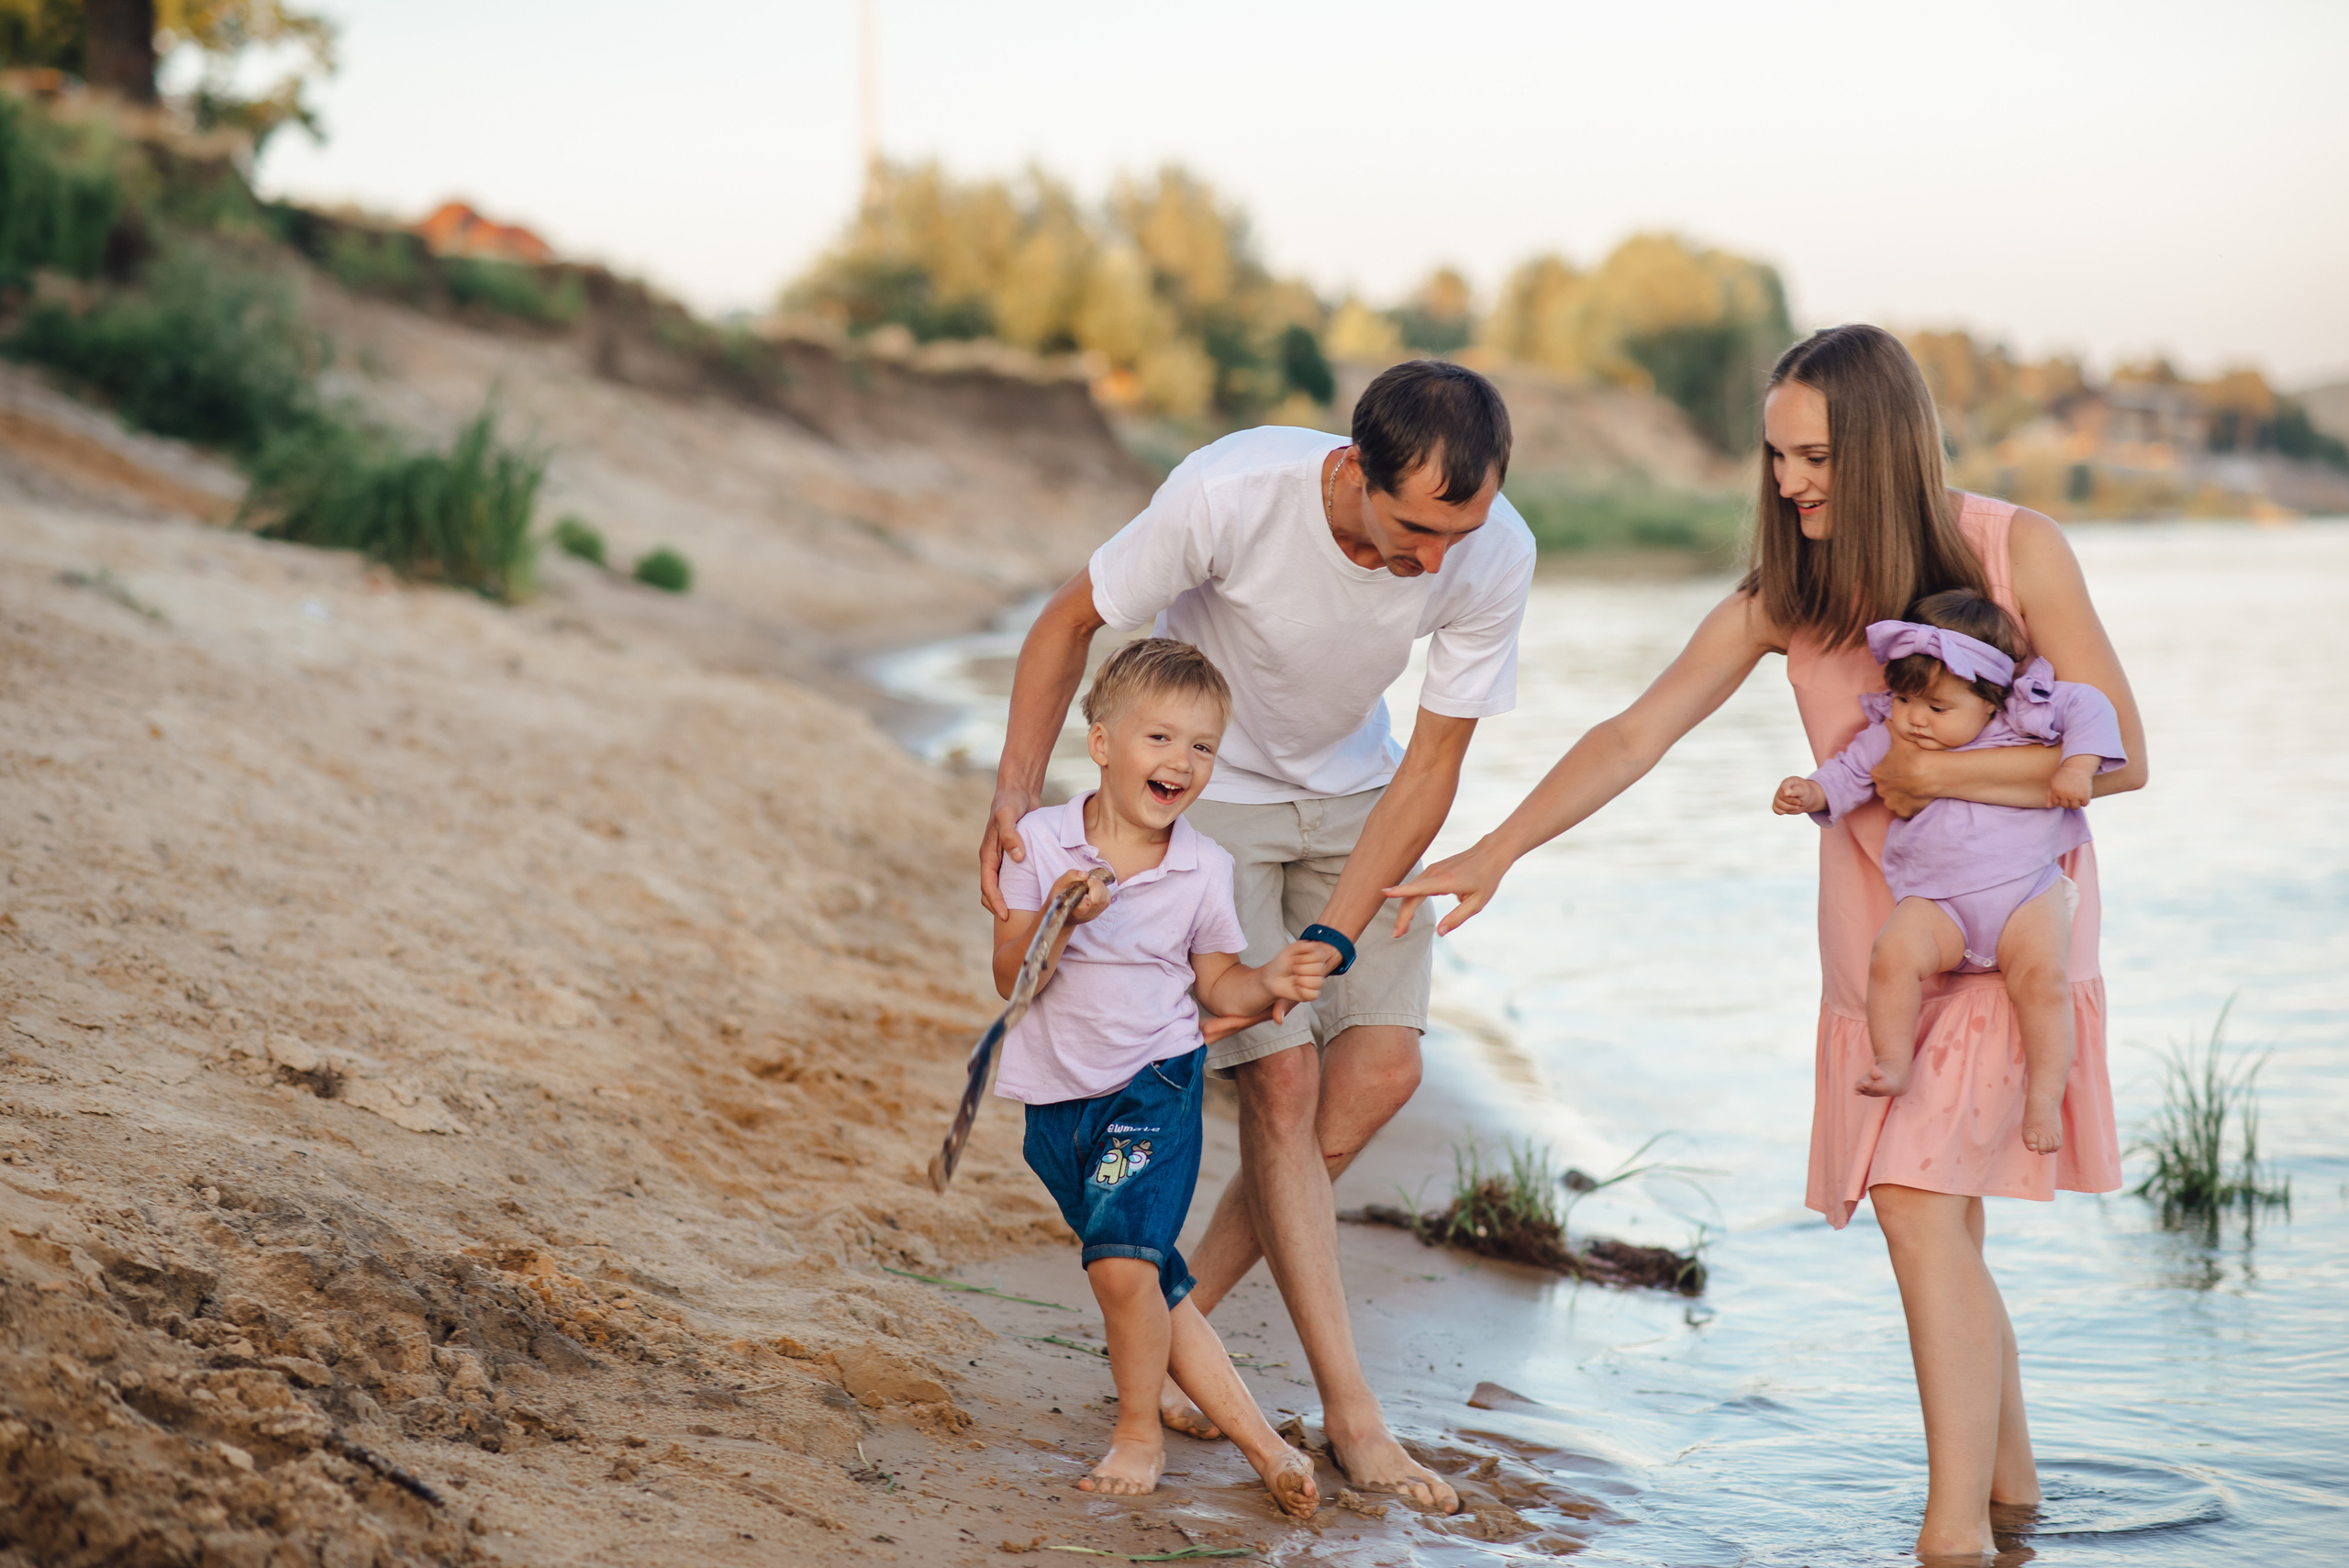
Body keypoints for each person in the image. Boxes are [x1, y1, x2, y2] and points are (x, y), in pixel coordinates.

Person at [1386, 324, 2147, 1561]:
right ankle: (2013, 1506)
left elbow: (2122, 757)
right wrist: (1500, 847)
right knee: (1941, 1224)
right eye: (1777, 456)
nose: (1791, 483)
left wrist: (1937, 770)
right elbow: (1636, 735)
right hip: (1883, 955)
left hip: (2013, 941)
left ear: (1886, 451)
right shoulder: (1786, 602)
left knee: (1913, 1205)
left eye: (1816, 458)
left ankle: (1954, 1534)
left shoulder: (2019, 551)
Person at [979, 361, 1535, 1514]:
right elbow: (1071, 617)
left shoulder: (1490, 549)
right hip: (1206, 794)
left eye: (1461, 530)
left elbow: (1433, 765)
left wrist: (1333, 933)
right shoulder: (1232, 491)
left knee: (1378, 1072)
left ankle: (1174, 1331)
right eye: (1416, 527)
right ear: (1352, 470)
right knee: (1281, 1081)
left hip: (1362, 799)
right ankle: (1352, 1414)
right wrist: (1016, 796)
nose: (1436, 558)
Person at [993, 638, 1322, 1518]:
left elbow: (1218, 984)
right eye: (1161, 738)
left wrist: (1271, 982)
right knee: (1151, 1281)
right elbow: (1007, 975)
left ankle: (1139, 1431)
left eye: (1203, 746)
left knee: (1120, 1269)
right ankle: (1267, 1446)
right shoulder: (1041, 840)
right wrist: (1062, 912)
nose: (1181, 761)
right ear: (1101, 743)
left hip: (1155, 1088)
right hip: (1058, 1108)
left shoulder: (1203, 868)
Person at [1773, 590, 2127, 1155]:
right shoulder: (1888, 733)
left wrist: (2079, 767)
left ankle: (2043, 1100)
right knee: (1891, 956)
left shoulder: (2026, 717)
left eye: (1938, 709)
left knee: (2044, 985)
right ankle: (1893, 1061)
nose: (1915, 718)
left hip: (2025, 894)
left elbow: (2093, 707)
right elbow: (1848, 773)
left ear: (1991, 701)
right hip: (1937, 903)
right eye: (1905, 697)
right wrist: (1811, 790)